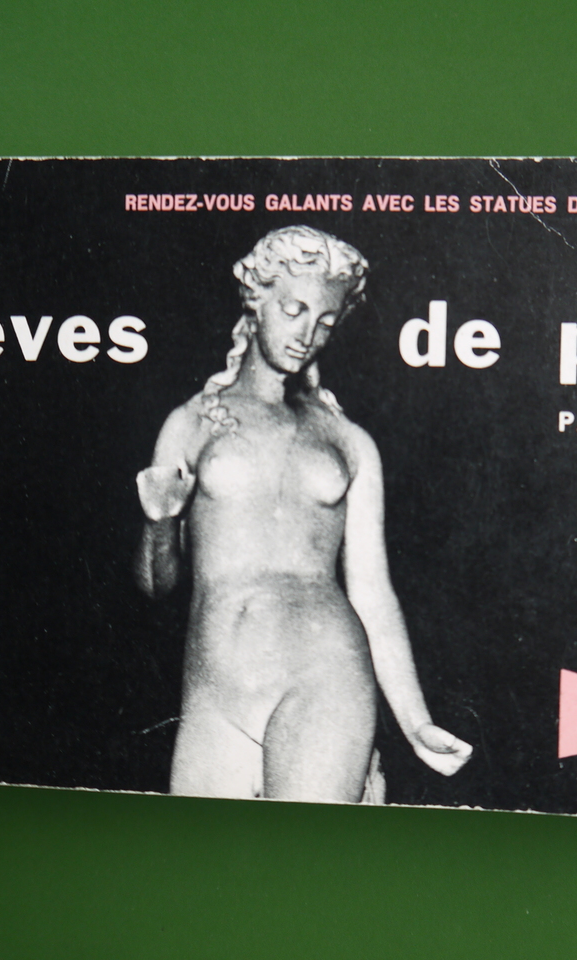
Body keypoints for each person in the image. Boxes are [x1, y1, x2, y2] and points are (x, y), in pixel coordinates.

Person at [135, 225, 472, 803]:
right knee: (203, 857)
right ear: (256, 299)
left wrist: (415, 721)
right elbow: (154, 584)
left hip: (325, 675)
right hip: (216, 689)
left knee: (303, 855)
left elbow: (373, 593)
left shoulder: (349, 441)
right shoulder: (189, 424)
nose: (307, 334)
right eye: (294, 310)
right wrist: (160, 522)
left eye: (326, 321)